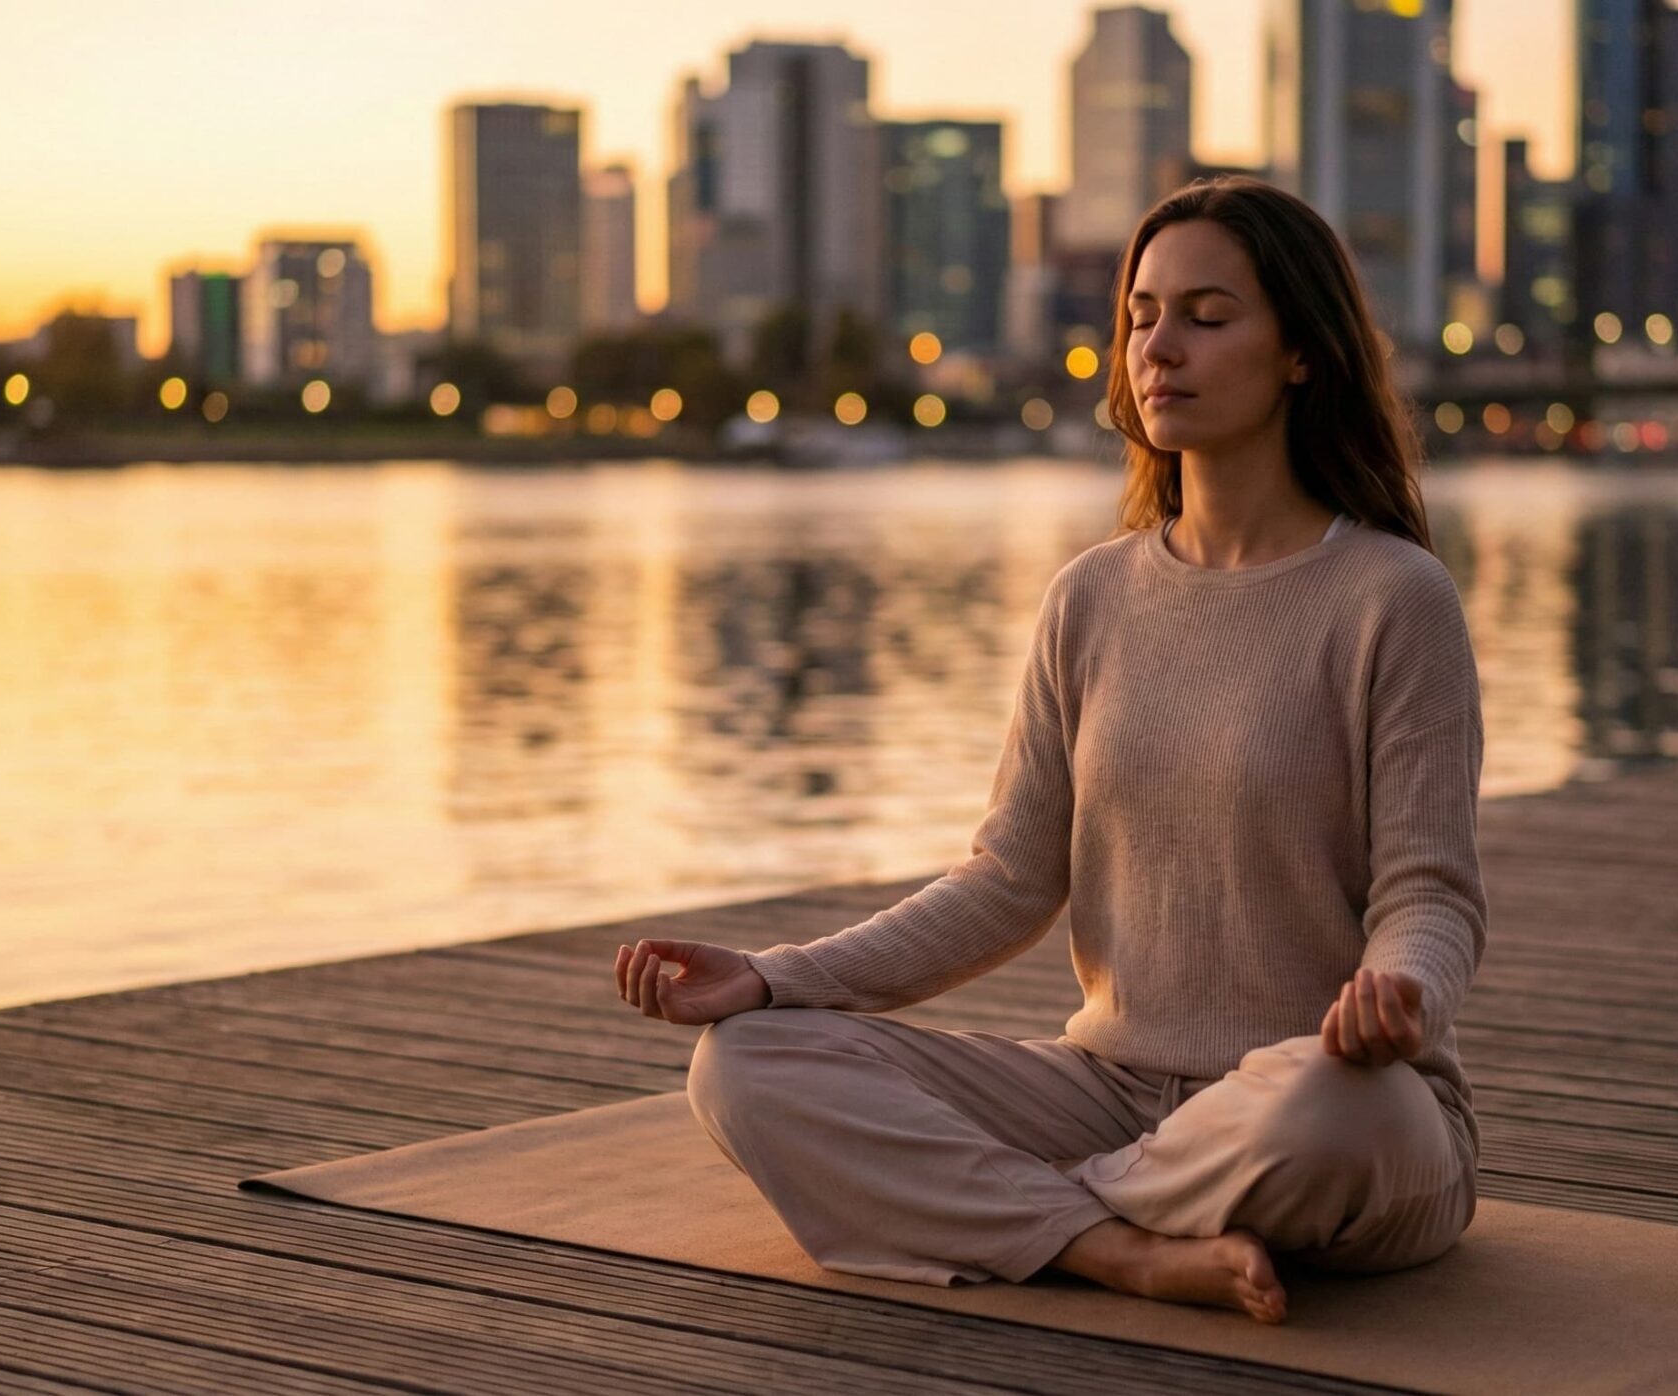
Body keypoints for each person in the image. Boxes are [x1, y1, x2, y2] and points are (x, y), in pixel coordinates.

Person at [612, 175, 1485, 1326]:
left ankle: (1010, 1212)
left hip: (1322, 1094)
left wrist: (1402, 991)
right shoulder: (1092, 598)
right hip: (1109, 1095)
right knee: (746, 1064)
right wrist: (777, 977)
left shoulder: (1392, 596)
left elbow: (1431, 893)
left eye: (1207, 316)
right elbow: (1008, 882)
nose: (1157, 348)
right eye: (1140, 316)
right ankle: (1119, 1249)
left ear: (1301, 354)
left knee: (1333, 1112)